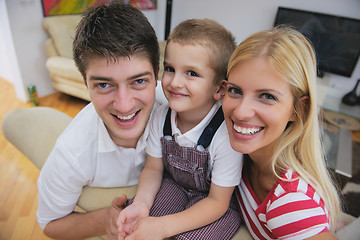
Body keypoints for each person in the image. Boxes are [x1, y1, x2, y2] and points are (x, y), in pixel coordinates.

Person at [36, 2, 160, 239]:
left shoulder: (179, 108)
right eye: (104, 85)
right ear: (85, 83)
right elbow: (49, 223)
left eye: (139, 81)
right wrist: (103, 221)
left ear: (157, 74)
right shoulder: (72, 154)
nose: (124, 105)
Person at [117, 18, 243, 240]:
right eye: (170, 69)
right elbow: (154, 169)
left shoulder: (226, 135)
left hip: (214, 204)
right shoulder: (160, 116)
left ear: (219, 88)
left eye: (191, 73)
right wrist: (142, 204)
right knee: (138, 224)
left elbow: (218, 202)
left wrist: (165, 226)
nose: (174, 82)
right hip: (174, 186)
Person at [222, 26, 341, 239]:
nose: (240, 112)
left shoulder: (291, 202)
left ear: (298, 109)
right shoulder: (242, 150)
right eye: (235, 90)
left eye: (267, 96)